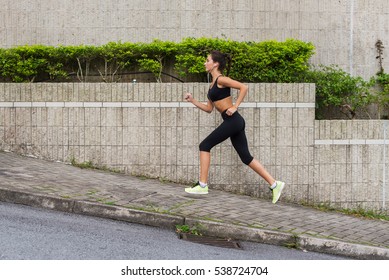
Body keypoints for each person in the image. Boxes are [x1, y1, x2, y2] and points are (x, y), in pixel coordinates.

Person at [183, 50, 285, 204]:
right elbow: (209, 109)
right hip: (233, 122)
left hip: (233, 121)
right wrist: (193, 100)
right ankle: (275, 184)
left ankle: (202, 185)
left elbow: (243, 87)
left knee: (205, 145)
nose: (205, 63)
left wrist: (235, 106)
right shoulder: (212, 86)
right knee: (246, 157)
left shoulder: (222, 80)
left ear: (215, 64)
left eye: (207, 60)